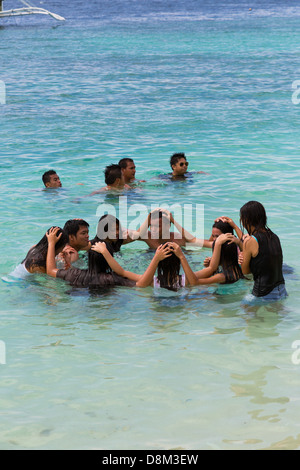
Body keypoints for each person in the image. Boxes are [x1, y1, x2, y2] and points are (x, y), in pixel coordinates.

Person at [46, 227, 170, 289]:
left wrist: (51, 243)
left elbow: (50, 270)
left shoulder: (74, 273)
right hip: (108, 306)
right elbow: (142, 284)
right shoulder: (111, 278)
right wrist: (156, 259)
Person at [239, 201, 287, 301]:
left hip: (263, 293)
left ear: (246, 220)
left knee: (244, 310)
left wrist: (243, 259)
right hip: (281, 290)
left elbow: (246, 272)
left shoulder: (250, 241)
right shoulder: (274, 237)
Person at [91, 241, 183, 290]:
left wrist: (104, 251)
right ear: (178, 262)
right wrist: (181, 256)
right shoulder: (186, 281)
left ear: (159, 264)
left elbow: (121, 272)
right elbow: (195, 279)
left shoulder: (151, 282)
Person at [169, 233, 244, 286]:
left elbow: (194, 283)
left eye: (215, 252)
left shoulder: (221, 276)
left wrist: (181, 257)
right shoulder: (238, 267)